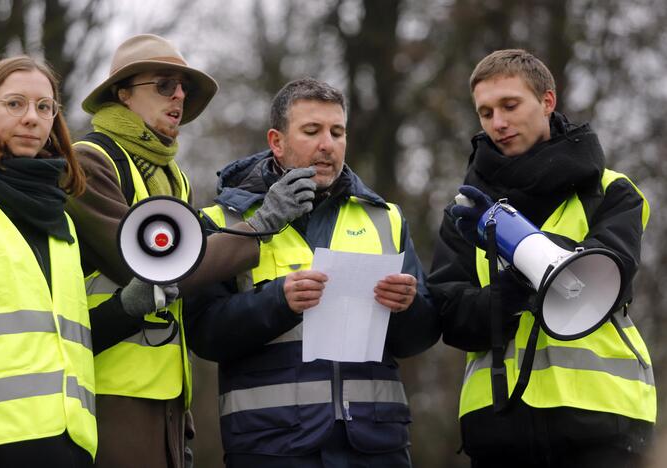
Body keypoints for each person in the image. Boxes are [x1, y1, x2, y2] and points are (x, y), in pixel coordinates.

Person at [66, 34, 312, 468]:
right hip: (104, 389)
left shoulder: (173, 175)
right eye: (164, 85)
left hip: (167, 397)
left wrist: (181, 422)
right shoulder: (90, 162)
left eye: (183, 87)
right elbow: (151, 269)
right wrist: (259, 226)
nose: (179, 95)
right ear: (123, 95)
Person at [0, 56, 174, 468]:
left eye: (44, 107)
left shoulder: (59, 217)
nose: (32, 118)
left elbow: (63, 338)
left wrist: (130, 307)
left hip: (72, 443)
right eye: (15, 104)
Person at [185, 77, 440, 467]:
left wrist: (407, 308)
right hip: (270, 444)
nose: (328, 144)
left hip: (375, 443)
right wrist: (278, 301)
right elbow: (204, 335)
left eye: (337, 132)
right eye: (312, 131)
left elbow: (420, 336)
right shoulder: (224, 222)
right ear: (277, 142)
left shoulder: (385, 218)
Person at [427, 49, 655, 467]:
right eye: (485, 112)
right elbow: (453, 319)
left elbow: (606, 276)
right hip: (499, 431)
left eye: (510, 105)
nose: (498, 123)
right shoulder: (464, 211)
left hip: (603, 424)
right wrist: (514, 288)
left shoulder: (613, 191)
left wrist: (511, 239)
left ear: (547, 101)